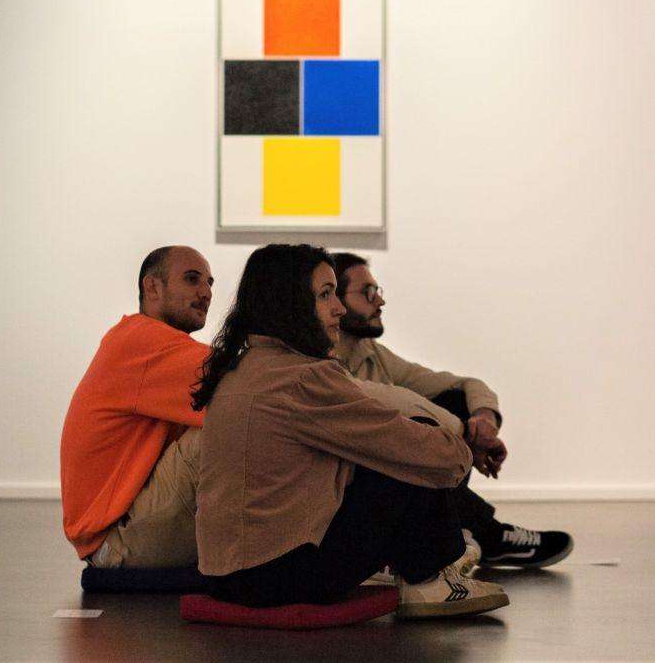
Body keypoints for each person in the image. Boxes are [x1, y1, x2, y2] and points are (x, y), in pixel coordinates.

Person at [193, 244, 510, 618]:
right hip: (279, 578)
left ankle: (435, 566)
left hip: (222, 574)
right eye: (325, 295)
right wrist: (462, 450)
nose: (339, 309)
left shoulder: (240, 369)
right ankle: (430, 580)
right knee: (416, 448)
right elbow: (418, 448)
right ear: (291, 303)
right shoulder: (303, 377)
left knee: (393, 448)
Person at [331, 252, 574, 569]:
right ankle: (489, 535)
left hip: (387, 485)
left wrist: (483, 421)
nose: (380, 301)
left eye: (378, 290)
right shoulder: (317, 363)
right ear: (334, 301)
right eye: (368, 292)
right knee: (412, 443)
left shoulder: (370, 352)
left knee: (456, 401)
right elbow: (390, 401)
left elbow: (464, 385)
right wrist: (463, 432)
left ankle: (463, 533)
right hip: (349, 495)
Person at [60, 246, 213, 568]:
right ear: (152, 287)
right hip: (118, 539)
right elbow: (247, 381)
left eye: (209, 283)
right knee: (233, 425)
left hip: (120, 532)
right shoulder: (141, 341)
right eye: (192, 279)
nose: (206, 292)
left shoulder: (148, 342)